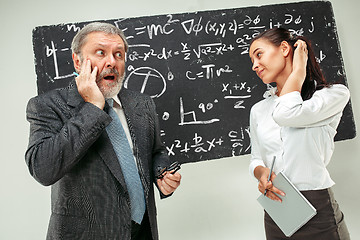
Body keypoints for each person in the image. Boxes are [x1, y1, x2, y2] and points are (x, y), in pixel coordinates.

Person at [25, 22, 181, 240]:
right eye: (101, 53)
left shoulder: (142, 104)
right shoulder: (48, 105)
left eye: (119, 54)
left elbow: (155, 152)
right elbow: (43, 169)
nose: (112, 62)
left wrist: (162, 173)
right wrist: (92, 108)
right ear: (77, 61)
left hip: (141, 231)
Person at [248, 27, 351, 239]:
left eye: (259, 55)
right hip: (277, 207)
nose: (254, 65)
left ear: (284, 48)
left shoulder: (332, 95)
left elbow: (287, 113)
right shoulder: (259, 110)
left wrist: (299, 71)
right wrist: (261, 174)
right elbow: (256, 158)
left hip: (317, 209)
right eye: (252, 60)